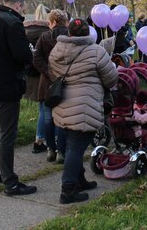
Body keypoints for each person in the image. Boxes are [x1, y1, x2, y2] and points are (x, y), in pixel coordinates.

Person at [48, 18, 118, 204]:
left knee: (73, 145)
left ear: (69, 33)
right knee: (76, 148)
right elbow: (111, 79)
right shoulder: (96, 51)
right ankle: (68, 189)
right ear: (88, 33)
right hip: (85, 106)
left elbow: (53, 74)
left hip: (63, 104)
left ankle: (79, 180)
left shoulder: (57, 50)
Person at [0, 0, 36, 196]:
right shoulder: (13, 23)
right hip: (6, 83)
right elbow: (21, 54)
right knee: (7, 133)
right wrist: (30, 56)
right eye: (23, 8)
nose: (24, 12)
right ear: (19, 5)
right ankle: (10, 181)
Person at [34, 9, 71, 163]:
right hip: (66, 81)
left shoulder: (44, 37)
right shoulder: (71, 37)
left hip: (48, 83)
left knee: (48, 117)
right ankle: (61, 151)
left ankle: (50, 149)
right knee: (63, 119)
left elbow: (36, 59)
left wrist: (49, 72)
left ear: (54, 22)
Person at [24, 4, 51, 154]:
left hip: (30, 74)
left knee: (42, 108)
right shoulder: (47, 34)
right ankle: (41, 139)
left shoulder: (26, 31)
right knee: (46, 109)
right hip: (44, 74)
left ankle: (40, 138)